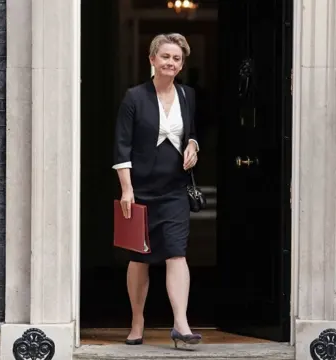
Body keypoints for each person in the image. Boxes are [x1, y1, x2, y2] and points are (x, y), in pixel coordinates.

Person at [112, 33, 202, 348]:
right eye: (165, 56)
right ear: (152, 60)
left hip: (175, 189)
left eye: (177, 58)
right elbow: (121, 148)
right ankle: (138, 321)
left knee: (177, 254)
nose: (171, 63)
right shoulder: (134, 97)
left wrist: (193, 144)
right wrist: (127, 190)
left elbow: (190, 132)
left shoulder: (188, 95)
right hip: (140, 191)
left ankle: (181, 323)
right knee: (139, 258)